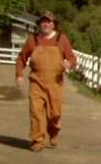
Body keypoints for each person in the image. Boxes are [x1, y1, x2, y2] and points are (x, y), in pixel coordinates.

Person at [15, 10, 77, 152]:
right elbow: (21, 58)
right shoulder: (32, 40)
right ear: (39, 24)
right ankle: (37, 140)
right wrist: (19, 74)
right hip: (36, 82)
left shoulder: (62, 39)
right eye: (43, 21)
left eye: (48, 21)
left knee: (54, 114)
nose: (46, 24)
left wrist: (69, 64)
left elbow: (72, 58)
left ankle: (54, 132)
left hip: (55, 84)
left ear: (53, 24)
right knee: (36, 112)